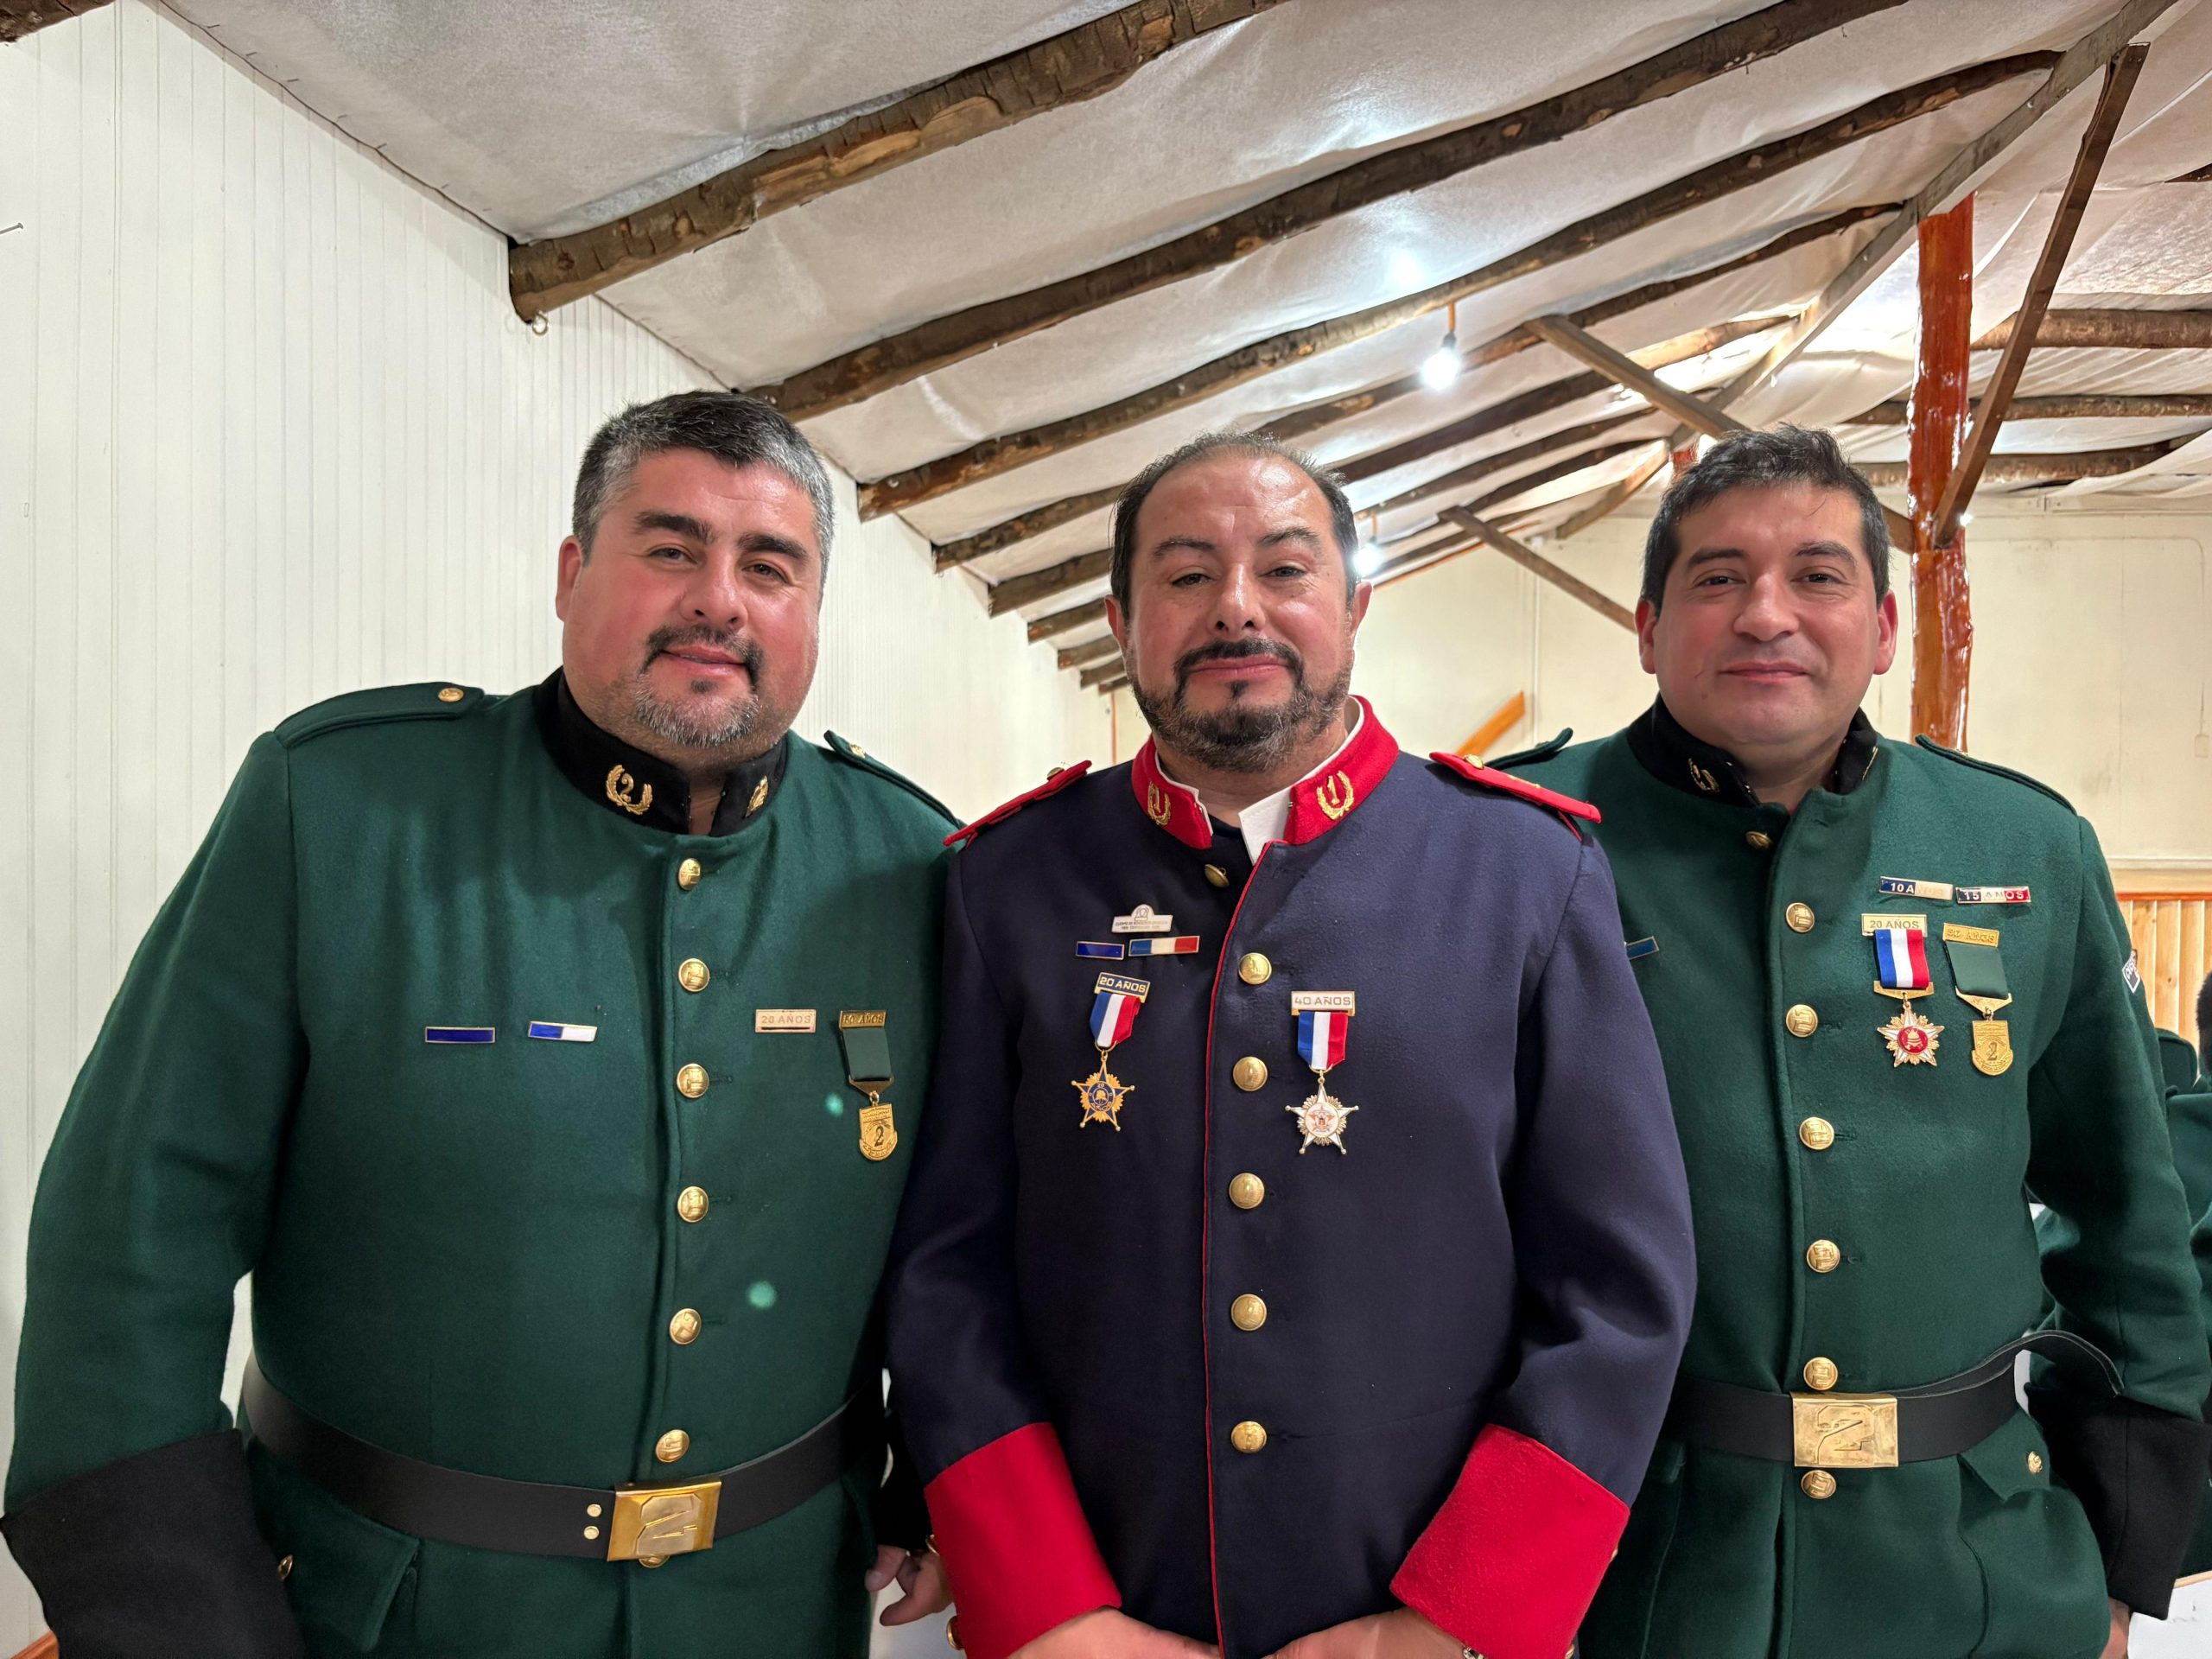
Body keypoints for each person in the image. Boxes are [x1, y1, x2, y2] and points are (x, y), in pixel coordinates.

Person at [3, 391, 953, 1656]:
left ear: (812, 611)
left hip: (767, 1612)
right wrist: (179, 1622)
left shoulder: (909, 863)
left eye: (768, 566)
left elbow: (954, 1230)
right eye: (670, 549)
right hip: (388, 1615)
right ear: (572, 576)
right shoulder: (341, 812)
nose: (720, 599)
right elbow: (128, 1243)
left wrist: (931, 1470)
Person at [885, 433, 1695, 1659]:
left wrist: (1456, 1618)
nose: (1236, 610)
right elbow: (950, 1271)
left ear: (1357, 605)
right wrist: (1048, 1609)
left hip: (1425, 1619)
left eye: (1285, 568)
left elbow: (1620, 1290)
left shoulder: (1529, 872)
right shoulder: (1008, 885)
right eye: (1187, 574)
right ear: (1120, 618)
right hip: (1105, 1614)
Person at [1499, 426, 2212, 1659]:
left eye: (1819, 576)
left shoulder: (2025, 850)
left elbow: (2131, 1233)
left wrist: (2117, 1561)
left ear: (1883, 629)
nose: (1767, 612)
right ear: (1649, 625)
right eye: (1718, 578)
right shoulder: (1517, 847)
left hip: (1981, 1572)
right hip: (1639, 1577)